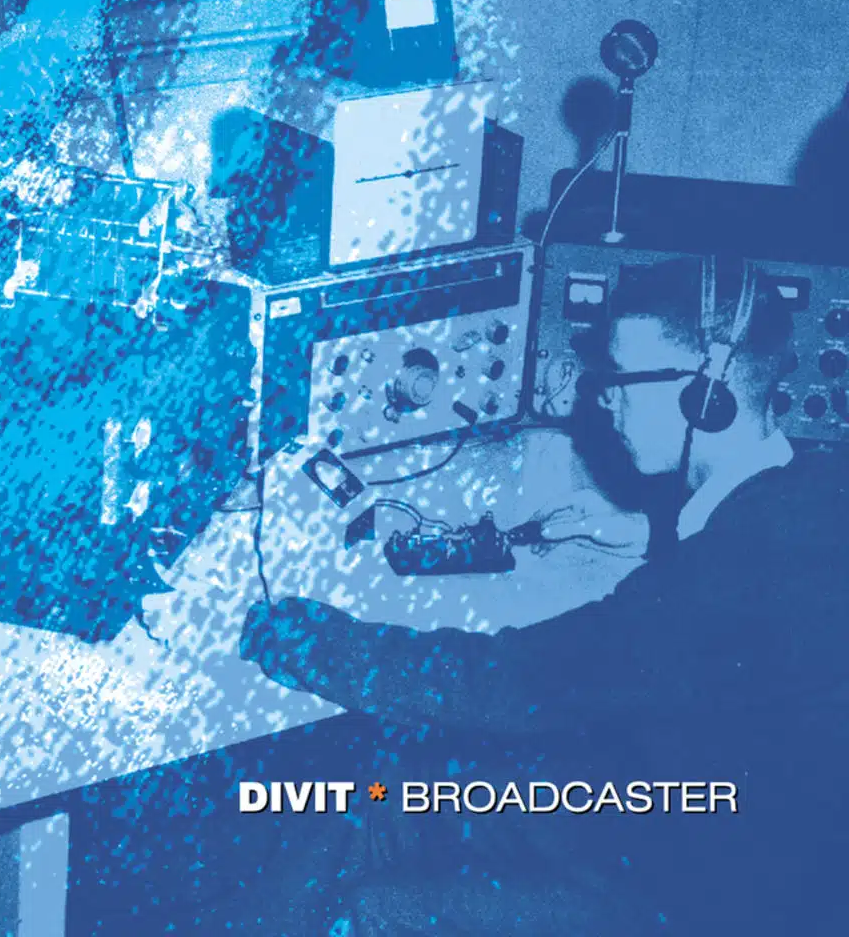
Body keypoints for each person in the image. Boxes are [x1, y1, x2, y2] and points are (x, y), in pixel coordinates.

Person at [238, 256, 849, 935]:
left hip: (701, 896)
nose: (603, 399)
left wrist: (305, 641)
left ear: (702, 394)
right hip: (708, 820)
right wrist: (650, 532)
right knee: (382, 795)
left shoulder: (727, 576)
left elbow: (507, 684)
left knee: (376, 903)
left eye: (619, 379)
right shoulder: (811, 492)